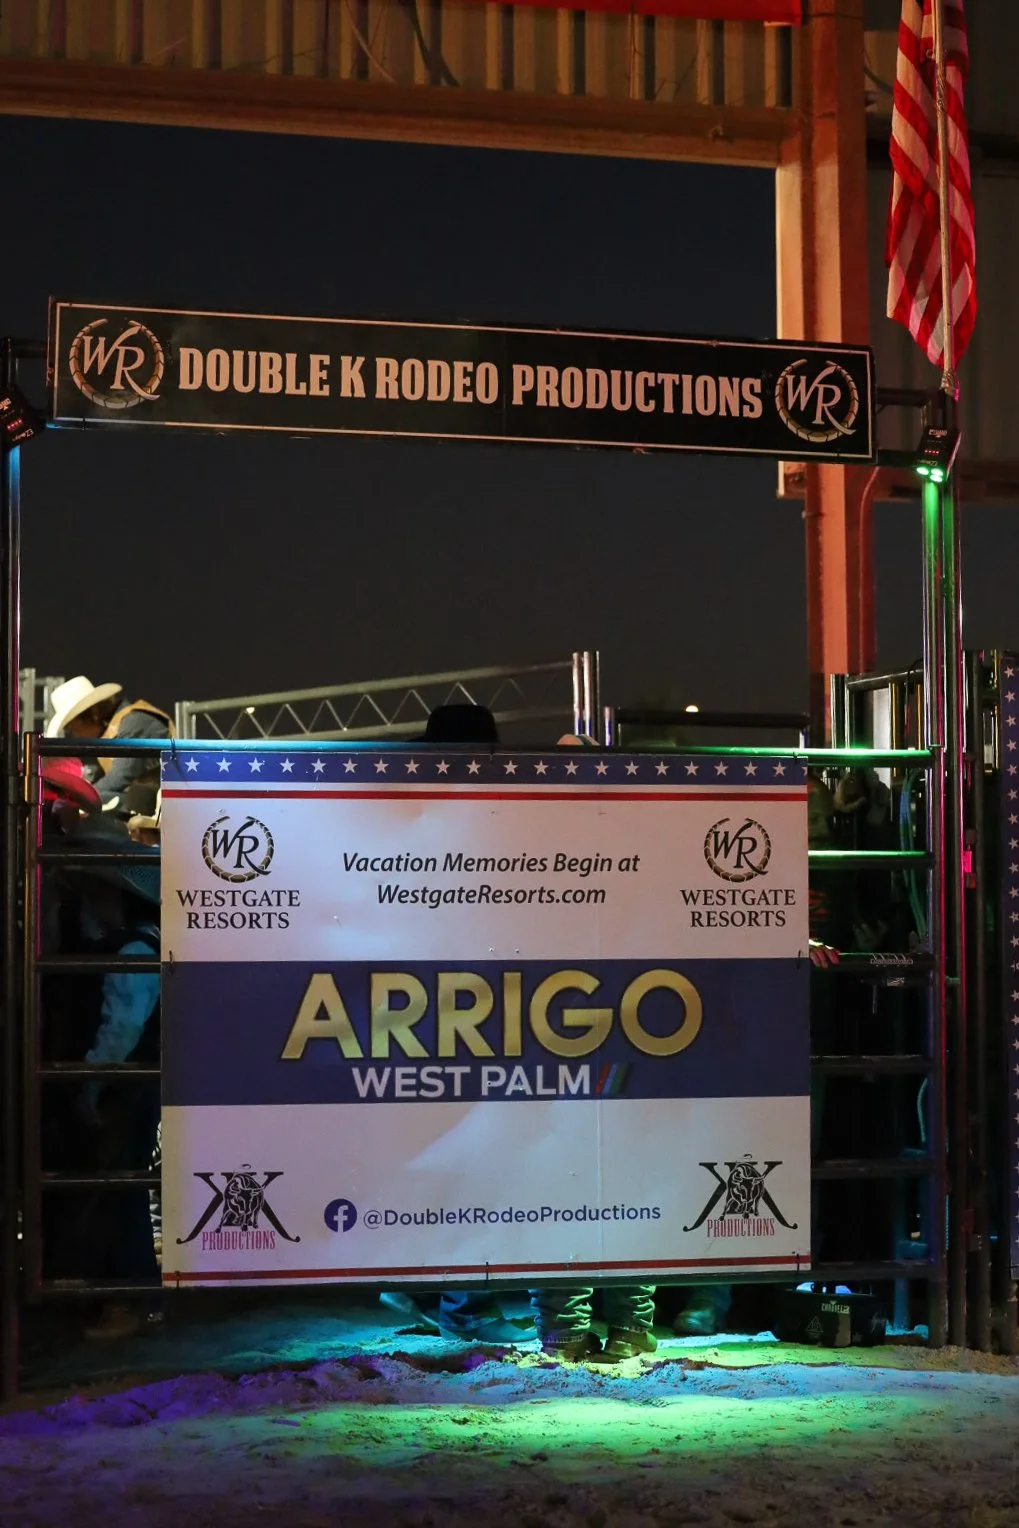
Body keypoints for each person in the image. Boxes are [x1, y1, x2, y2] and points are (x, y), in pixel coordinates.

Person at [379, 703, 536, 1347]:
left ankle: (432, 1288)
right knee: (474, 1153)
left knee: (438, 1151)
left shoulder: (409, 818)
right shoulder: (500, 818)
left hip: (423, 1007)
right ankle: (459, 1299)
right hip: (481, 1007)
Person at [46, 674, 172, 818]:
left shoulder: (133, 723)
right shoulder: (119, 727)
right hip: (151, 797)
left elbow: (119, 778)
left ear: (92, 714)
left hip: (163, 800)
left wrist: (79, 796)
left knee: (99, 802)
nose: (75, 735)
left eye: (74, 728)